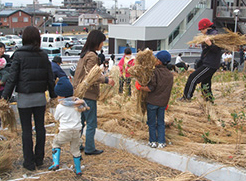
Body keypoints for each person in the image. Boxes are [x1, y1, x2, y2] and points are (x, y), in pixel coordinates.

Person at [2, 26, 57, 171]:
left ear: (24, 38)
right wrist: (53, 96)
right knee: (40, 129)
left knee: (26, 131)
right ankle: (39, 159)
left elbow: (12, 79)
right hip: (40, 98)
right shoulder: (43, 55)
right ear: (38, 39)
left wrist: (4, 98)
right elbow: (50, 78)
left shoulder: (18, 55)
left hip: (24, 99)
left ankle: (29, 162)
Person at [73, 30, 115, 155]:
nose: (102, 44)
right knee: (91, 123)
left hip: (79, 93)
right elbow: (92, 76)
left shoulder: (84, 54)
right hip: (88, 94)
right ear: (97, 42)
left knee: (80, 122)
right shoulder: (92, 56)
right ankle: (90, 148)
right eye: (102, 42)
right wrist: (107, 80)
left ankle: (78, 144)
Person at [49, 77, 87, 175]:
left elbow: (56, 118)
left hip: (65, 131)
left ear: (61, 96)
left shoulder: (60, 106)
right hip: (77, 131)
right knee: (75, 150)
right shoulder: (77, 105)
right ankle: (78, 170)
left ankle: (55, 163)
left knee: (56, 143)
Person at [135, 50, 173, 148]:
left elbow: (150, 88)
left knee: (151, 123)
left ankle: (152, 141)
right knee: (160, 123)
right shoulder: (170, 74)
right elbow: (168, 90)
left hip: (152, 102)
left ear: (159, 61)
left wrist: (140, 87)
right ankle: (161, 142)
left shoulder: (154, 72)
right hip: (163, 103)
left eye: (156, 59)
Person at [178, 18, 221, 103]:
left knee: (193, 78)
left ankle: (186, 98)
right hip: (209, 63)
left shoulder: (213, 36)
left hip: (210, 64)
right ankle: (209, 101)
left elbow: (217, 50)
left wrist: (209, 44)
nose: (201, 31)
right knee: (205, 83)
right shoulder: (208, 35)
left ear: (206, 28)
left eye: (201, 29)